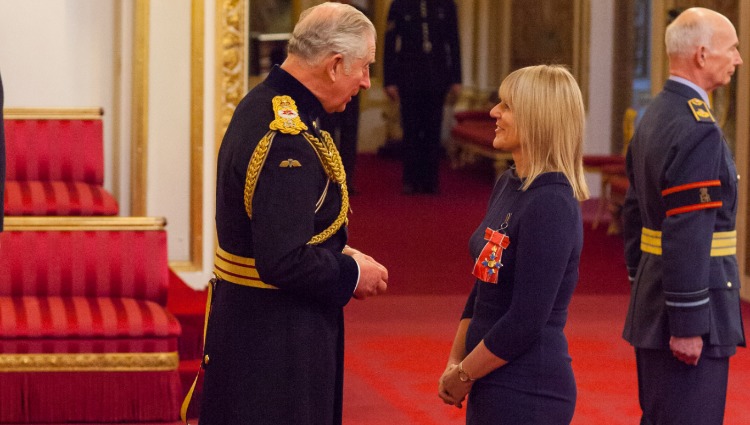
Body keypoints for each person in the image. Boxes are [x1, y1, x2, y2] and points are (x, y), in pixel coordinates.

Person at [196, 3, 388, 424]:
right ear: (336, 65)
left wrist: (342, 251)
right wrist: (352, 274)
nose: (366, 82)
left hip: (254, 330)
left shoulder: (268, 105)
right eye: (364, 67)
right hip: (274, 347)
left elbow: (284, 226)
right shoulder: (287, 138)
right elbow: (283, 259)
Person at [438, 65, 589, 424]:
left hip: (528, 388)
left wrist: (463, 375)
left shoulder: (551, 202)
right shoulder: (510, 183)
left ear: (538, 119)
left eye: (506, 106)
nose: (494, 112)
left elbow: (526, 319)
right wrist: (455, 362)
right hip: (490, 376)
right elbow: (483, 286)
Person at [621, 7, 744, 425]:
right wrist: (689, 321)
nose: (739, 59)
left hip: (658, 299)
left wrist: (644, 285)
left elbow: (633, 211)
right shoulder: (698, 129)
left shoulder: (654, 114)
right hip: (694, 311)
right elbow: (688, 231)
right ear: (703, 55)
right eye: (733, 49)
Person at [383, 0, 462, 195]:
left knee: (432, 130)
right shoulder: (400, 5)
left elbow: (453, 41)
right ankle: (410, 179)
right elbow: (390, 43)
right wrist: (389, 80)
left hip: (437, 76)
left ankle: (430, 180)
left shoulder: (447, 5)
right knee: (411, 129)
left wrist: (456, 78)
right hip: (408, 77)